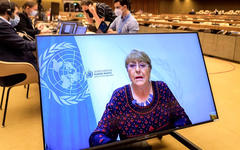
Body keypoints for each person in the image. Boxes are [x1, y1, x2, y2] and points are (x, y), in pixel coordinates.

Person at [89, 50, 192, 147]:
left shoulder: (162, 88)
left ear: (150, 69)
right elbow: (97, 137)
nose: (138, 70)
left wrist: (172, 139)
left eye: (142, 65)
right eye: (132, 66)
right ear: (127, 71)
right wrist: (129, 147)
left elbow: (183, 118)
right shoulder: (119, 96)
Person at [0, 1, 37, 69]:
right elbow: (23, 45)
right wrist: (42, 42)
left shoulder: (3, 25)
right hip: (12, 64)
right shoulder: (2, 26)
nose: (17, 16)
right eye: (16, 13)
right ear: (8, 12)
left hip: (11, 56)